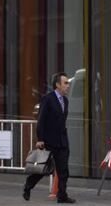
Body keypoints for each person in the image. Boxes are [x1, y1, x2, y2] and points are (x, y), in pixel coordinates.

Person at [23, 72, 76, 203]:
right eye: (65, 83)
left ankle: (62, 195)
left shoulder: (66, 100)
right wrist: (40, 139)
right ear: (57, 85)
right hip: (49, 140)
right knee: (43, 168)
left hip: (62, 141)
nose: (68, 86)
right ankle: (28, 186)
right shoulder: (48, 99)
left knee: (63, 170)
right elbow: (41, 120)